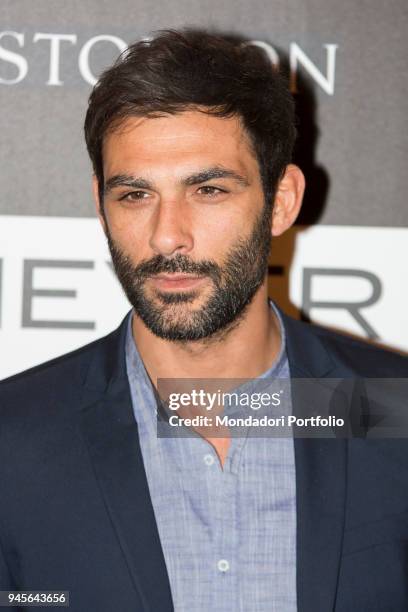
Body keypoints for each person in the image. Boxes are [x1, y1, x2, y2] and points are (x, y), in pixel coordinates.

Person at [0, 29, 407, 612]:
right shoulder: (13, 441)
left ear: (282, 201)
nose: (168, 235)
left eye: (209, 189)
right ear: (101, 204)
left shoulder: (392, 411)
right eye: (135, 195)